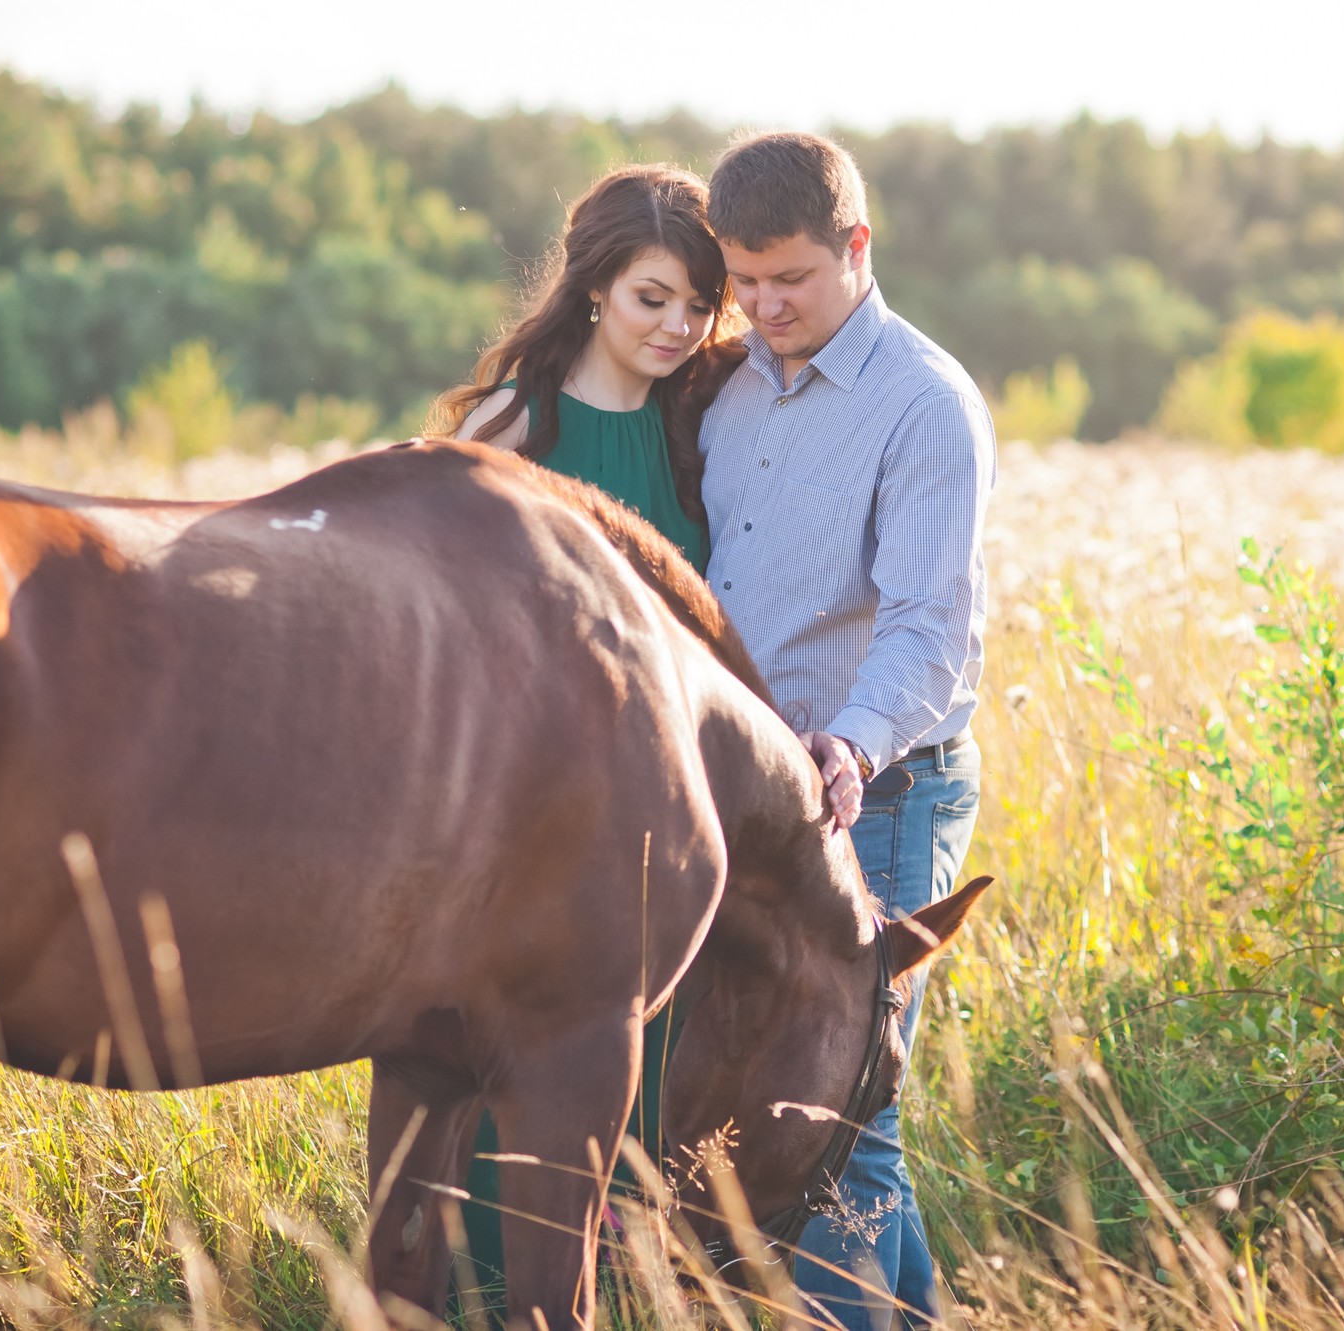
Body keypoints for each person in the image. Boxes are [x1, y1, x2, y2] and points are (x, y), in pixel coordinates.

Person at [425, 161, 866, 1306]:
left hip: (659, 820)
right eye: (648, 299)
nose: (678, 327)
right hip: (526, 812)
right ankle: (479, 1287)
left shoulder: (699, 415)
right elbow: (426, 596)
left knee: (635, 1066)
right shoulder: (516, 423)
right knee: (503, 1057)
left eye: (694, 305)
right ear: (590, 293)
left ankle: (609, 1288)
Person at [700, 132, 995, 1330]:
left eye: (792, 280)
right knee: (757, 1105)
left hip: (877, 792)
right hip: (743, 799)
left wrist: (853, 744)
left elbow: (930, 624)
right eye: (744, 280)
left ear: (856, 247)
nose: (764, 306)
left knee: (840, 1115)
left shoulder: (924, 405)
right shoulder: (723, 386)